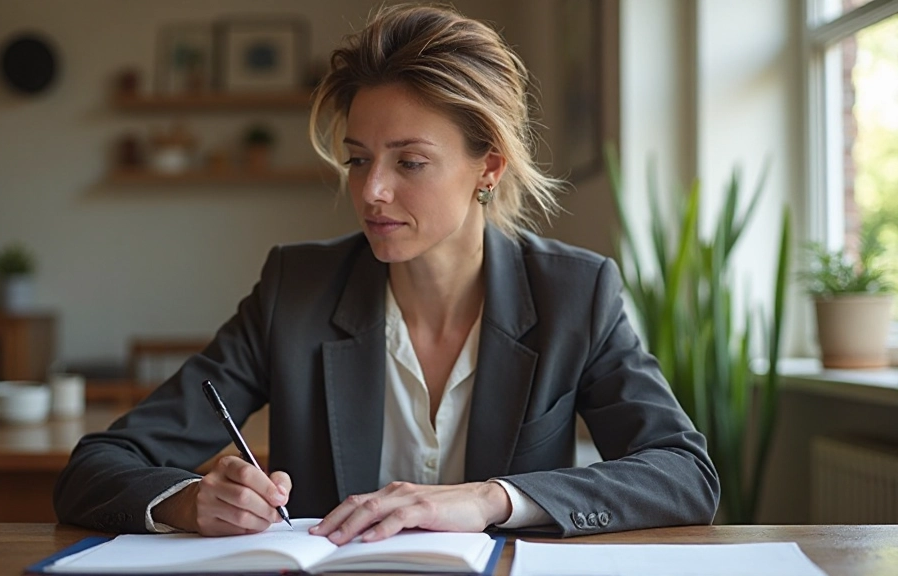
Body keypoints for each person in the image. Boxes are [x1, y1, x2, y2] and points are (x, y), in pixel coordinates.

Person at [54, 4, 719, 542]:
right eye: (358, 159)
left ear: (487, 167)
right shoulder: (297, 291)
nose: (372, 191)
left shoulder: (575, 294)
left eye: (410, 162)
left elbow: (684, 474)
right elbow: (96, 468)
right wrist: (188, 501)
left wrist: (491, 499)